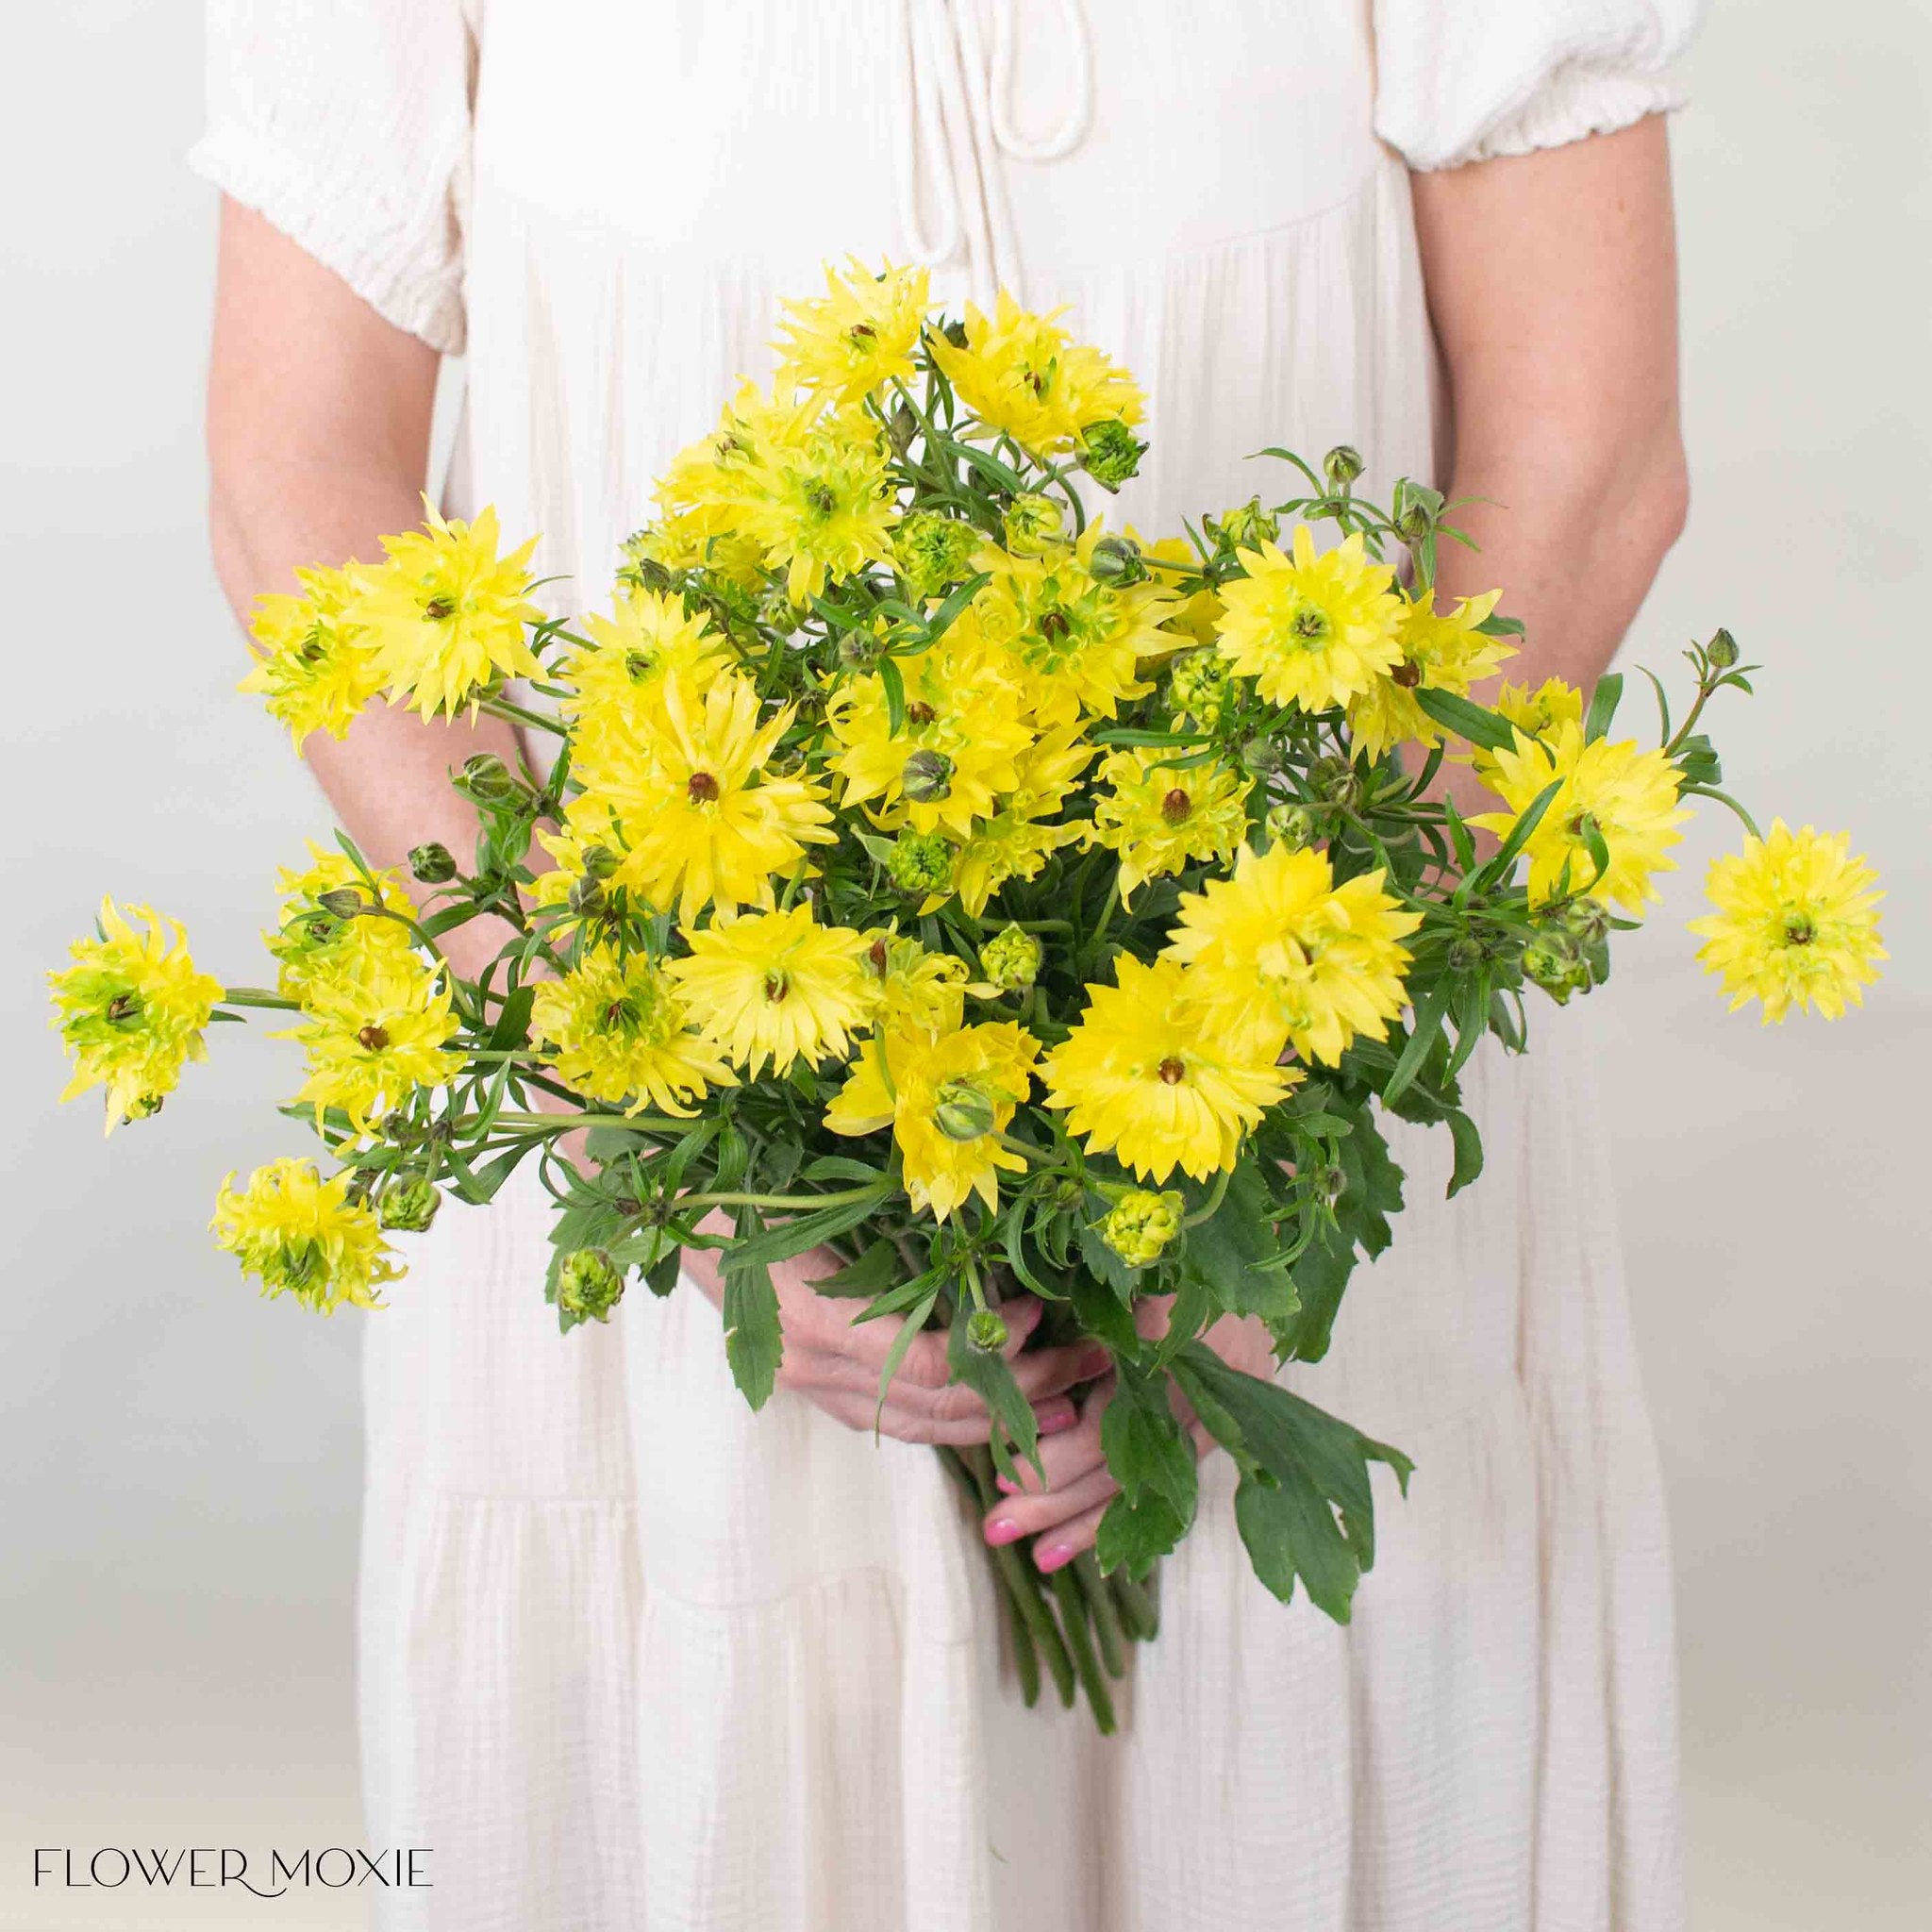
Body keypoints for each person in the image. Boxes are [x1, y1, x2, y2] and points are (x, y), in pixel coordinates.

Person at [198, 2, 1701, 1924]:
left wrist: (1260, 1160)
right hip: (675, 1123)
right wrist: (658, 1127)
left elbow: (1583, 462)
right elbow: (300, 482)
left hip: (1306, 1110)